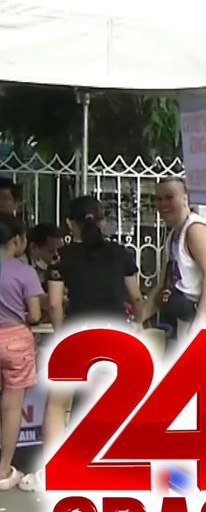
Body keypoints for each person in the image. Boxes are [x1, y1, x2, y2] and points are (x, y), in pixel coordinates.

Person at [22, 196, 143, 492]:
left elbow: (53, 303)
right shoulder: (122, 253)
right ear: (103, 221)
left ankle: (53, 471)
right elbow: (136, 297)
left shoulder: (60, 257)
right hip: (116, 335)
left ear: (69, 224)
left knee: (57, 404)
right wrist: (138, 323)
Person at [138, 178, 206, 336]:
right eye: (159, 199)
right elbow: (163, 285)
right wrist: (137, 321)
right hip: (186, 326)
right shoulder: (173, 236)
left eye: (169, 197)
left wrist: (200, 321)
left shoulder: (196, 230)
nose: (163, 204)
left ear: (185, 199)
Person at [0, 217, 42, 490]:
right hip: (15, 340)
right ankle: (3, 468)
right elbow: (35, 314)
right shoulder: (25, 271)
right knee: (12, 406)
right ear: (16, 239)